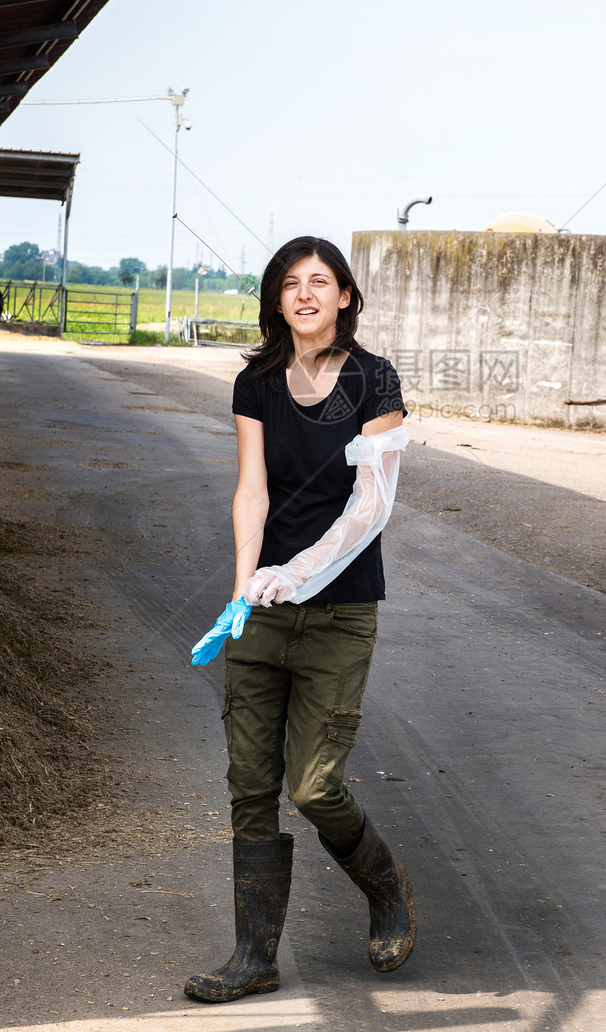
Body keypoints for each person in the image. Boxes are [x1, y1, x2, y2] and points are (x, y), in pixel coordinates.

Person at [185, 236, 415, 1003]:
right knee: (249, 783)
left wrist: (300, 572)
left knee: (315, 787)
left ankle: (385, 886)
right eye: (291, 283)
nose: (306, 293)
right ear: (276, 300)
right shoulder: (255, 381)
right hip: (263, 612)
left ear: (345, 296)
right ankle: (255, 957)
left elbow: (371, 505)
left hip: (338, 614)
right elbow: (251, 488)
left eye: (321, 281)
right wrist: (245, 585)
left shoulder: (375, 379)